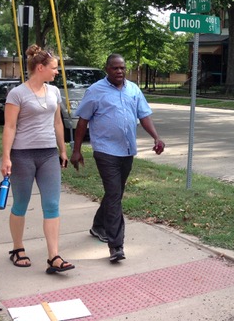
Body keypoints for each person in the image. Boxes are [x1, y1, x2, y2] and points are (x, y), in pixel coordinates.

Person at [70, 53, 165, 263]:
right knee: (114, 195)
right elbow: (83, 122)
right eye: (115, 68)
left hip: (127, 150)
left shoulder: (133, 89)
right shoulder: (95, 91)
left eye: (122, 68)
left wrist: (156, 137)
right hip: (105, 151)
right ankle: (116, 246)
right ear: (107, 69)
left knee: (115, 192)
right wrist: (76, 150)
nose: (120, 71)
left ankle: (98, 226)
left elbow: (144, 116)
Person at [1, 45, 74, 275]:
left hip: (48, 155)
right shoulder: (17, 94)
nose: (56, 72)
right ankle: (17, 248)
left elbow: (57, 123)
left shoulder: (53, 92)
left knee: (52, 204)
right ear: (40, 68)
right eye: (54, 68)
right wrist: (6, 157)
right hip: (22, 155)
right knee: (20, 204)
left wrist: (62, 150)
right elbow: (10, 126)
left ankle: (53, 256)